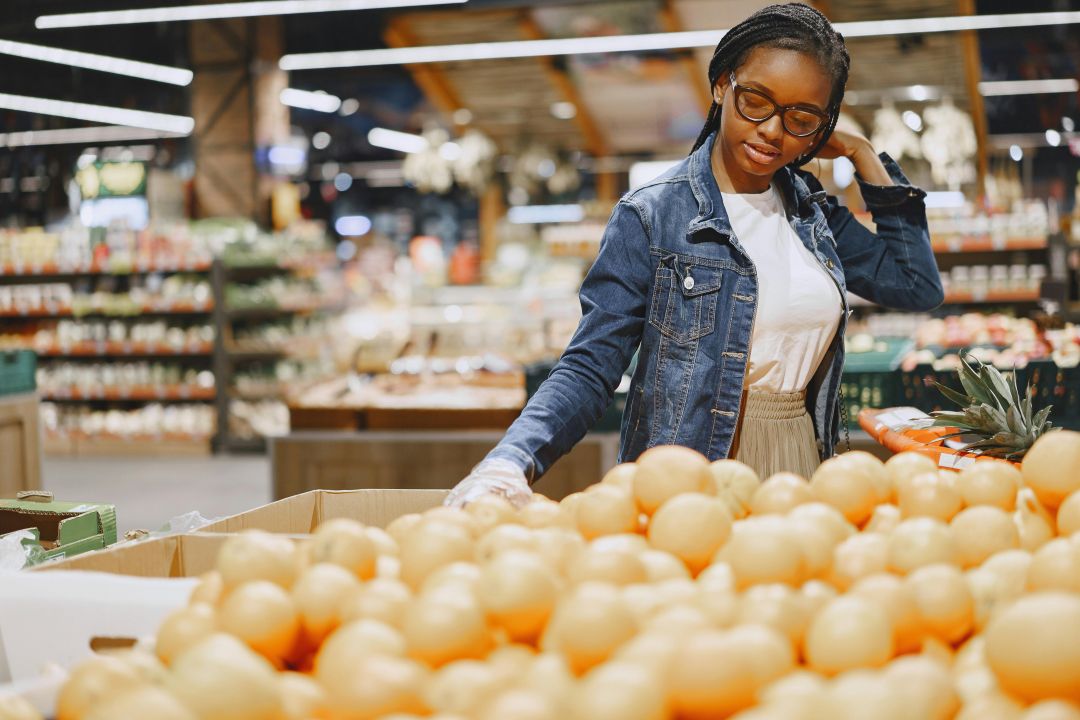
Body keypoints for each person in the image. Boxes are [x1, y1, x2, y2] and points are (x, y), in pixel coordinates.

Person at [446, 2, 943, 508]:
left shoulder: (811, 214)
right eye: (757, 101)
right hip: (691, 478)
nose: (772, 130)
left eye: (801, 118)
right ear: (723, 84)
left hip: (803, 470)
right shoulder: (653, 215)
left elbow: (916, 284)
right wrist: (510, 460)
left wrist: (862, 152)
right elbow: (591, 365)